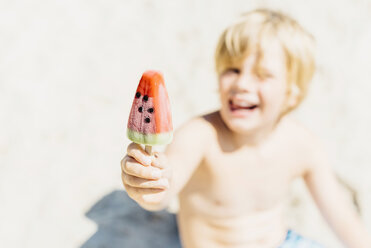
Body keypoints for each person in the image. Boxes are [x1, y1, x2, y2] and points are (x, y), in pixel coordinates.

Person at [120, 9, 371, 248]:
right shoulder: (201, 135)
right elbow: (165, 186)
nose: (241, 83)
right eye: (233, 70)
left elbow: (341, 216)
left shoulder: (301, 144)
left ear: (291, 93)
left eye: (262, 75)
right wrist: (148, 185)